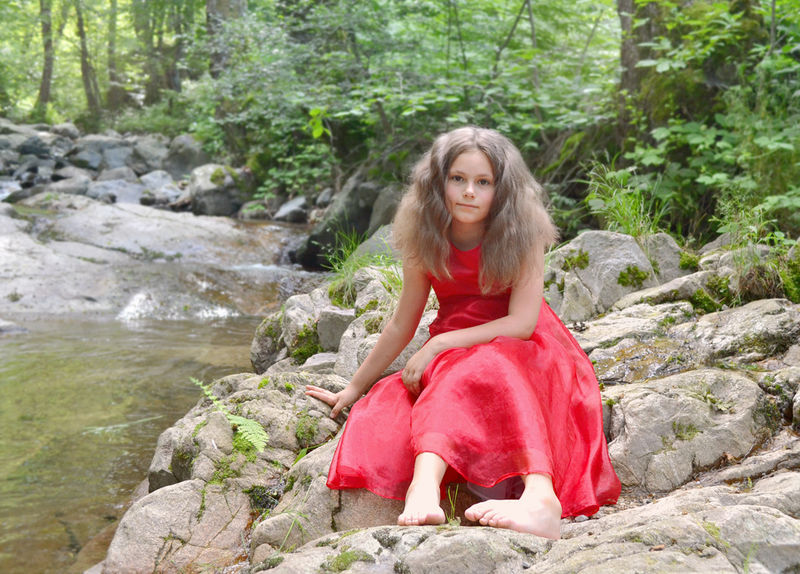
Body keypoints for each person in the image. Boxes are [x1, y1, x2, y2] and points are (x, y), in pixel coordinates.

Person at [305, 126, 620, 539]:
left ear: (502, 190)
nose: (469, 192)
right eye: (458, 178)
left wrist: (438, 343)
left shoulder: (522, 231)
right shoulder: (425, 234)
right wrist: (353, 387)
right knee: (404, 402)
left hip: (524, 345)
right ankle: (424, 491)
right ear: (438, 182)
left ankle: (540, 498)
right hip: (455, 349)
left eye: (483, 182)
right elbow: (402, 322)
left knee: (488, 366)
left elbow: (522, 323)